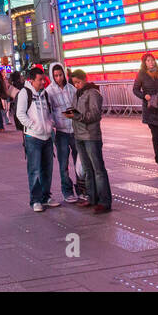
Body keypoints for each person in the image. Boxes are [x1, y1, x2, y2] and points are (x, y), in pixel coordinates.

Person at [14, 67, 60, 213]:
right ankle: (35, 199)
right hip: (33, 137)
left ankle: (46, 196)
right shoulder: (24, 93)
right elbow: (20, 114)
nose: (42, 82)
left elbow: (49, 112)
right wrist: (33, 126)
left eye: (43, 79)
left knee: (47, 169)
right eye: (40, 80)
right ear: (32, 80)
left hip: (47, 137)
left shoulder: (44, 93)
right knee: (34, 170)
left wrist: (50, 124)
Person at [66, 70, 111, 212]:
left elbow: (95, 114)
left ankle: (104, 201)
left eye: (78, 82)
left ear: (85, 79)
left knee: (98, 169)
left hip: (91, 136)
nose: (77, 85)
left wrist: (77, 116)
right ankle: (91, 198)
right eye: (74, 83)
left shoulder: (93, 93)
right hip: (78, 135)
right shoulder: (78, 93)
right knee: (87, 169)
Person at [46, 64, 82, 202]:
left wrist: (74, 115)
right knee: (63, 163)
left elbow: (77, 106)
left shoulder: (71, 88)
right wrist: (58, 119)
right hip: (61, 132)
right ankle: (67, 191)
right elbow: (50, 112)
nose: (59, 78)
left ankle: (81, 188)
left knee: (79, 162)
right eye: (56, 75)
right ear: (52, 76)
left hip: (75, 130)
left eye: (61, 75)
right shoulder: (49, 91)